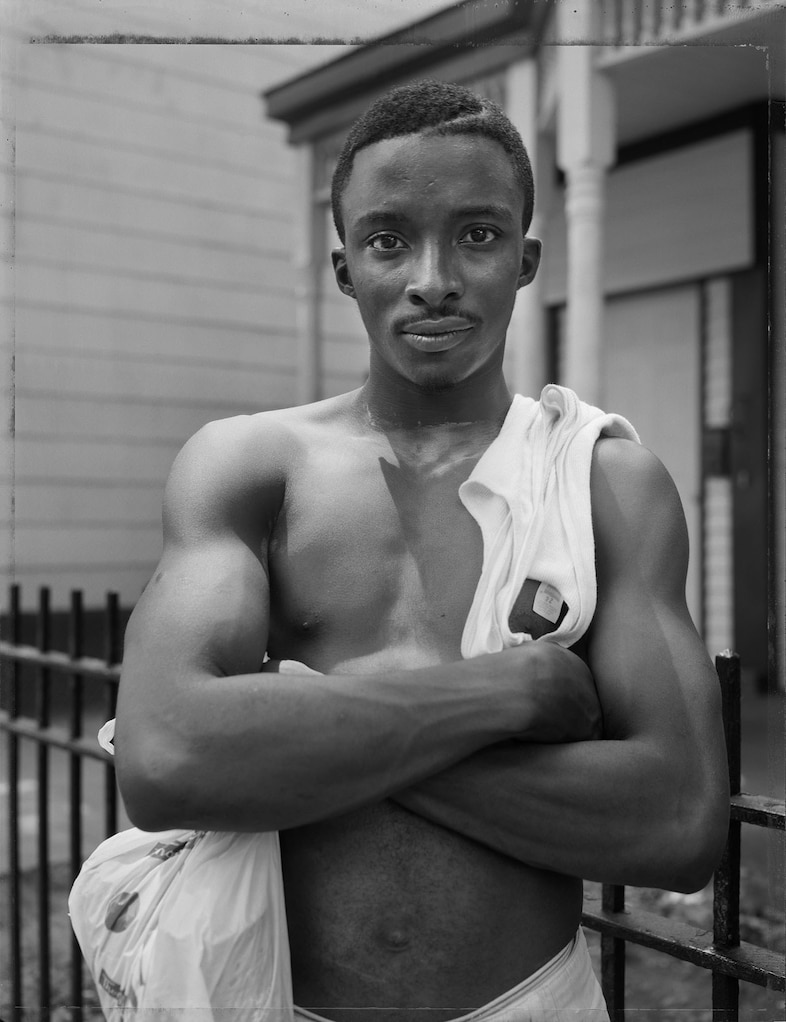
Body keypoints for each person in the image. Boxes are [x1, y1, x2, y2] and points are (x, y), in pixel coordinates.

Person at [114, 79, 729, 1020]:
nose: (432, 277)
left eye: (476, 235)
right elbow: (166, 760)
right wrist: (499, 694)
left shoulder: (602, 482)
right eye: (390, 239)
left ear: (525, 260)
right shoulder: (249, 466)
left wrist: (303, 729)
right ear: (344, 266)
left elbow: (679, 821)